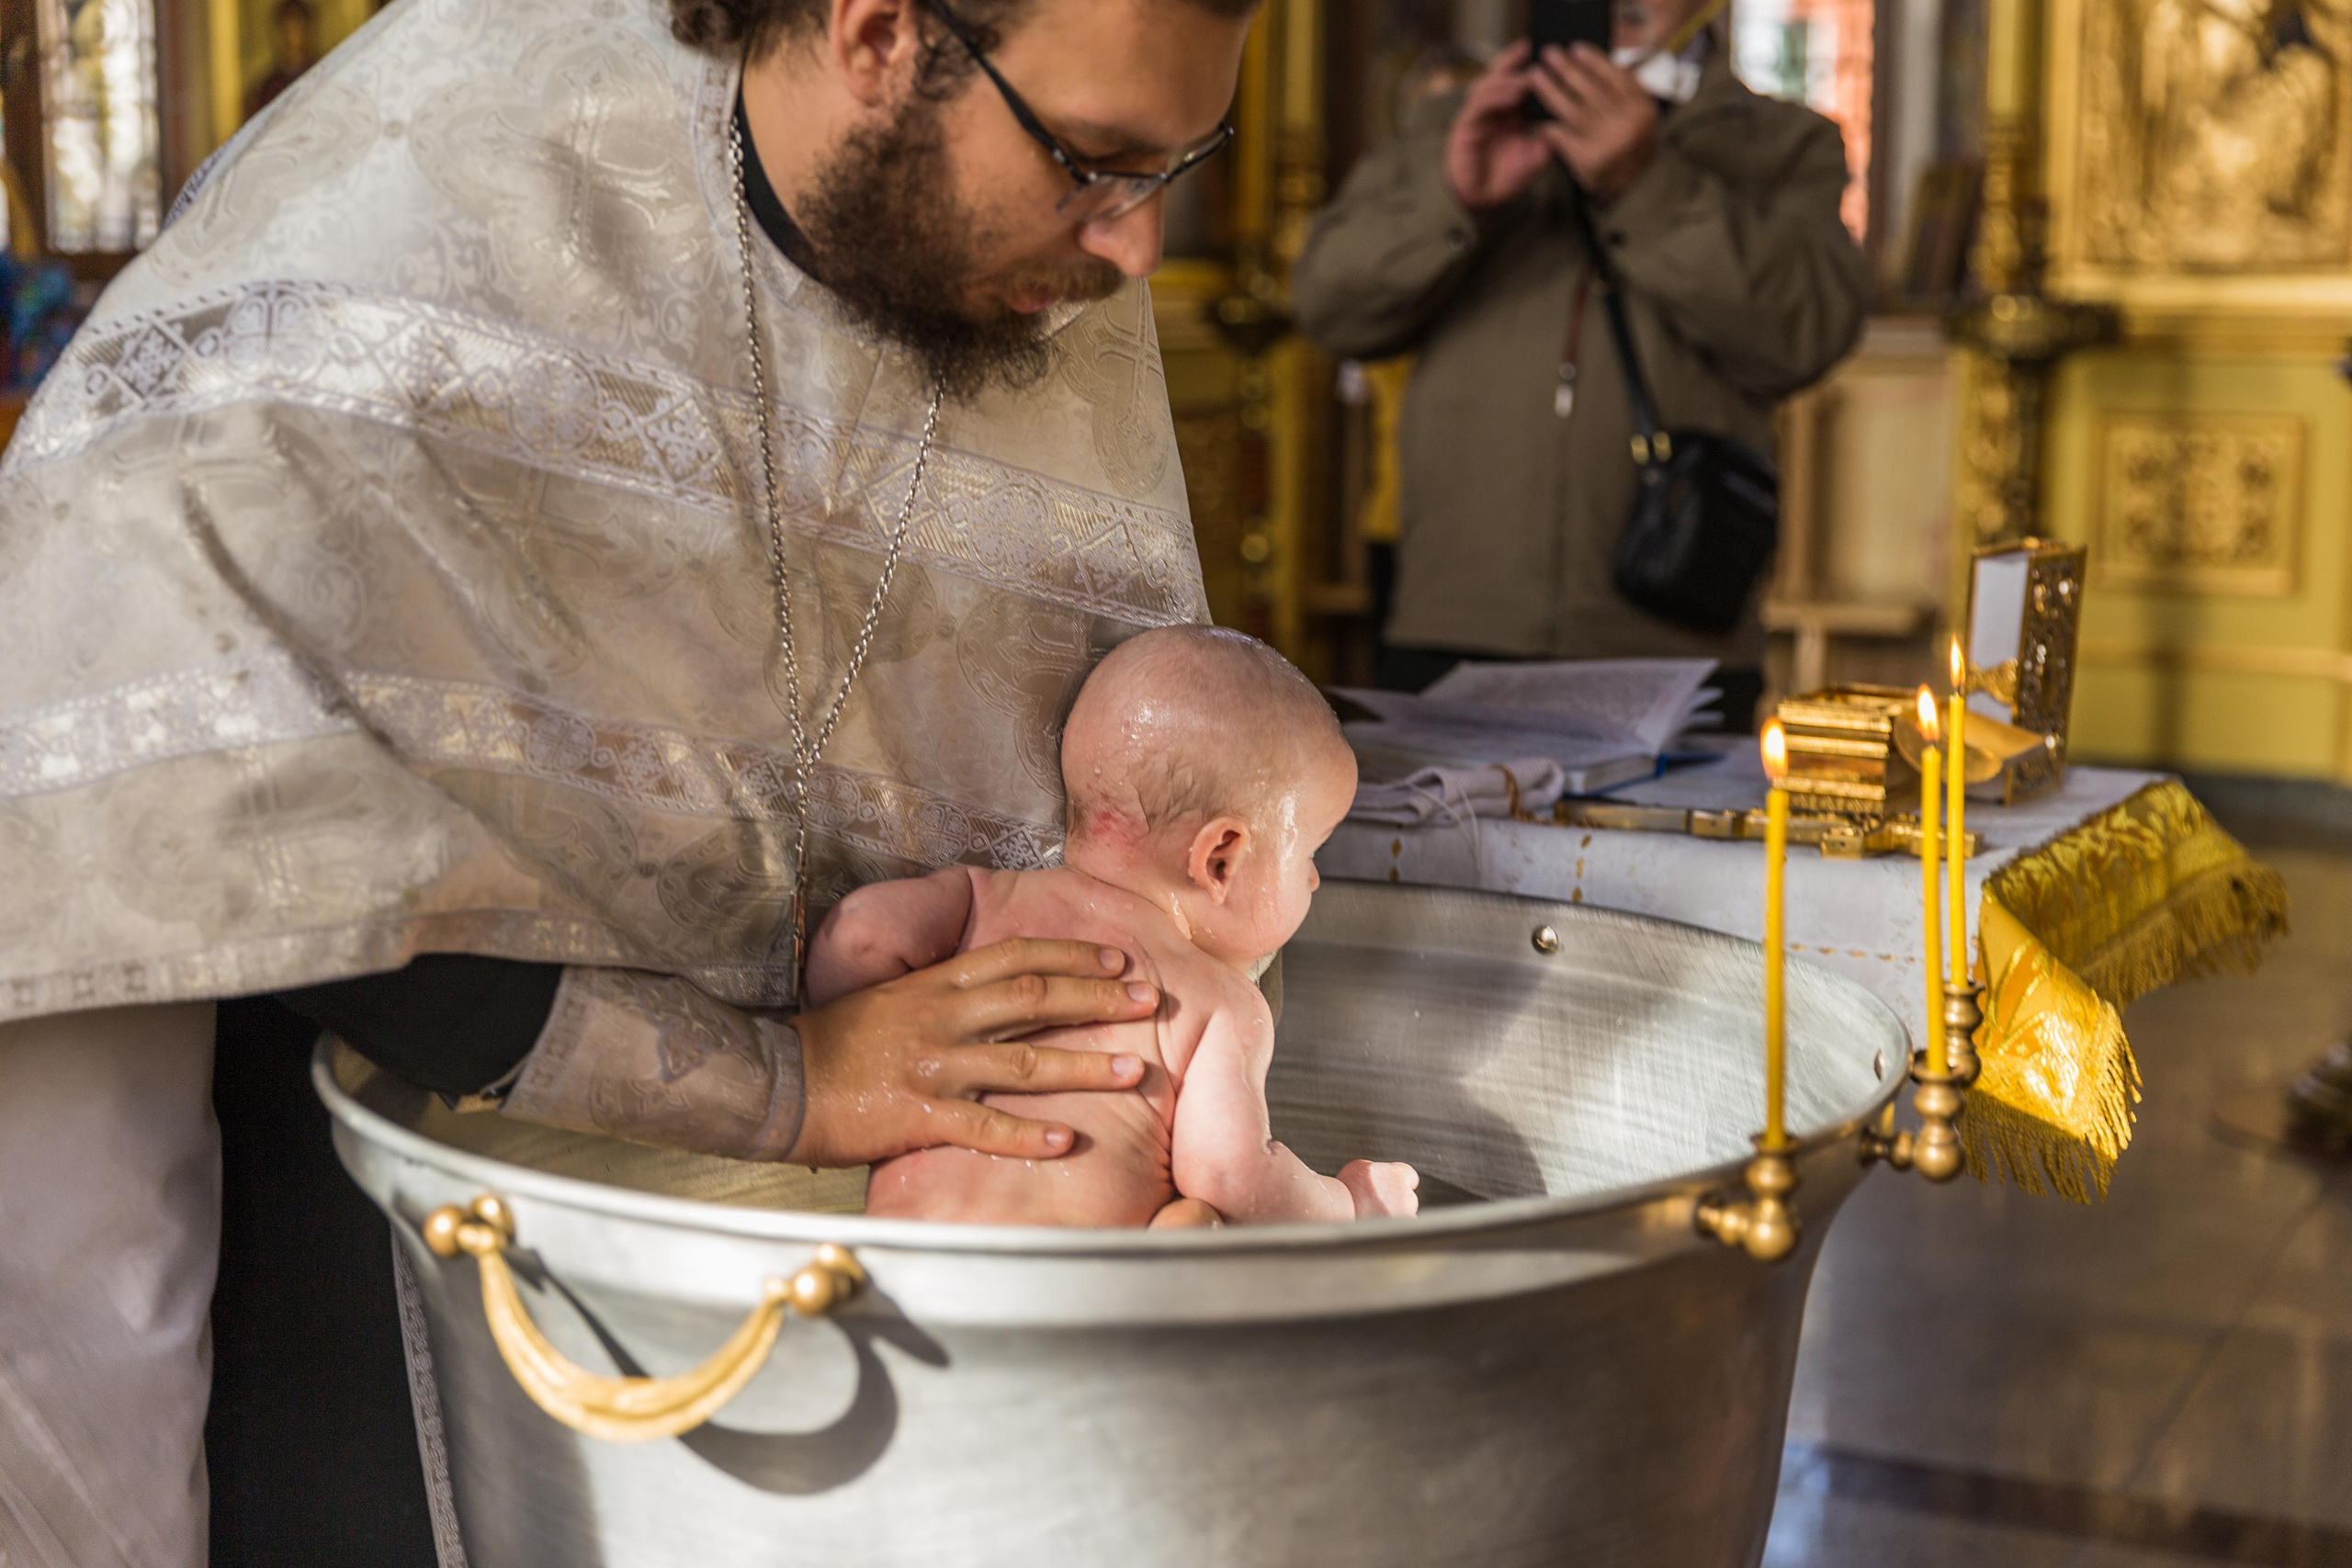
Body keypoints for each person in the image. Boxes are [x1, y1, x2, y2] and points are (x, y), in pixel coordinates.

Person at [0, 0, 1258, 1562]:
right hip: (422, 1216)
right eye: (1094, 160)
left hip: (914, 1263)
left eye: (1174, 164)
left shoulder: (1036, 260)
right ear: (876, 36)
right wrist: (791, 1080)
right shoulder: (419, 189)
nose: (1132, 248)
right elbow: (201, 791)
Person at [1293, 0, 1871, 725]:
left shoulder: (1782, 144)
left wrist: (1646, 184)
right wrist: (1455, 201)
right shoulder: (1453, 125)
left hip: (1675, 638)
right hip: (1455, 631)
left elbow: (1808, 331)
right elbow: (1325, 305)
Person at [808, 626, 1419, 1226]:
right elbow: (1234, 1180)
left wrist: (845, 1040)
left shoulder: (978, 898)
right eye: (1310, 853)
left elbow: (860, 931)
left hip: (898, 1257)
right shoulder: (1221, 1005)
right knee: (1198, 1222)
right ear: (1220, 860)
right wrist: (1354, 1201)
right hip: (1071, 1290)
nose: (1313, 879)